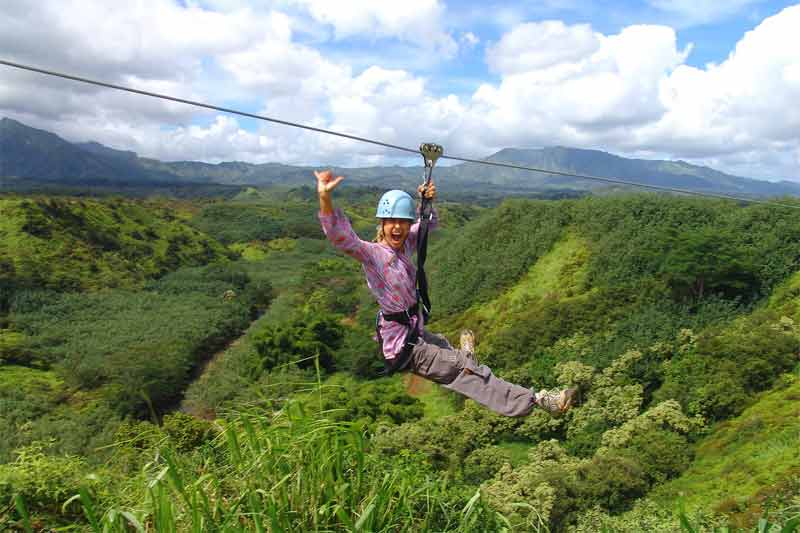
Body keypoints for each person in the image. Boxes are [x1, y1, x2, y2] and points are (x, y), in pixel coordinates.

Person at [315, 169, 575, 417]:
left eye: (403, 222)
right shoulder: (372, 255)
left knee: (441, 343)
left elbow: (428, 225)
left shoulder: (403, 247)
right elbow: (341, 238)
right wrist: (325, 197)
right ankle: (538, 400)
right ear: (381, 223)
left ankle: (464, 357)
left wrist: (426, 202)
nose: (397, 228)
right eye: (391, 222)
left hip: (412, 333)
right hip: (404, 346)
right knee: (467, 373)